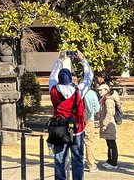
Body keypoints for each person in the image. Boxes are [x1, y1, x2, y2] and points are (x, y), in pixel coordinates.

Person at [49, 50, 94, 180]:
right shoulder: (78, 90)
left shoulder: (53, 90)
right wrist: (83, 60)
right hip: (77, 129)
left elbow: (52, 76)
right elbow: (89, 77)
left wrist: (60, 60)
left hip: (59, 129)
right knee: (78, 160)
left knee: (59, 161)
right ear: (70, 79)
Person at [97, 84, 120, 169]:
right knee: (109, 143)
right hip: (107, 124)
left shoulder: (108, 100)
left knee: (112, 144)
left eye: (101, 90)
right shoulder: (104, 99)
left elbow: (109, 113)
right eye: (99, 90)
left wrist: (104, 124)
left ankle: (113, 162)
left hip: (109, 124)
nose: (99, 92)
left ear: (106, 90)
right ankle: (109, 160)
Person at [83, 85, 100, 173]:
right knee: (89, 141)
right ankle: (91, 164)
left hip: (76, 119)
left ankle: (78, 162)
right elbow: (97, 108)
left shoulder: (76, 92)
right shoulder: (91, 93)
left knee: (77, 141)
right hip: (89, 119)